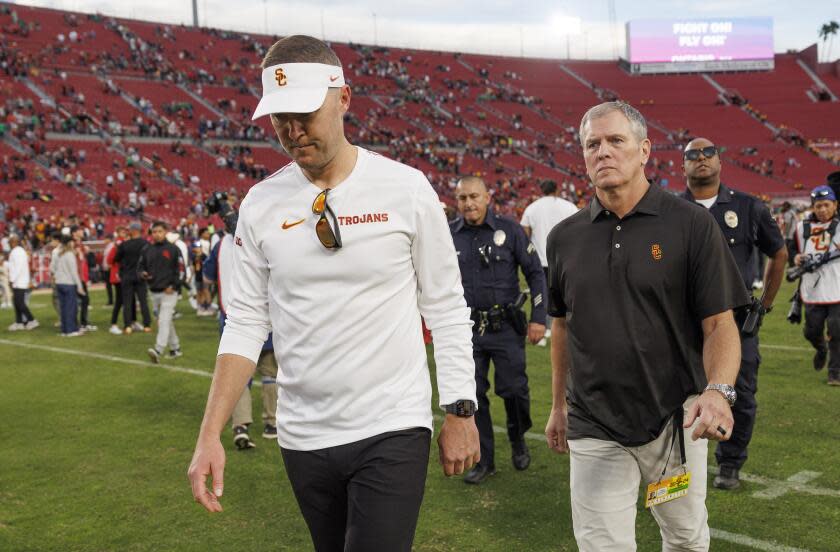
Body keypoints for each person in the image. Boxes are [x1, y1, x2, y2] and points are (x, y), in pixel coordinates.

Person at [187, 35, 479, 552]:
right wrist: (209, 434)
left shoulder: (406, 189)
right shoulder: (259, 205)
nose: (293, 131)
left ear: (342, 98)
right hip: (303, 437)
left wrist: (460, 409)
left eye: (304, 114)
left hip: (392, 425)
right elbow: (247, 322)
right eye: (279, 118)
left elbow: (446, 306)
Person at [544, 101, 749, 551]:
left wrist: (718, 390)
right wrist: (559, 405)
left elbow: (719, 324)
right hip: (593, 422)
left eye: (616, 141)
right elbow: (561, 327)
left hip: (674, 421)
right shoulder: (564, 237)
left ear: (644, 150)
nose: (603, 152)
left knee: (685, 538)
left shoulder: (691, 224)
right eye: (592, 144)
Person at [679, 137, 787, 490]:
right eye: (692, 155)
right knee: (673, 394)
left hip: (736, 323)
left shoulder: (748, 207)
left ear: (720, 161)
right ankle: (674, 465)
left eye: (709, 152)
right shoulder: (668, 209)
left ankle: (730, 464)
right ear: (683, 166)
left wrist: (766, 304)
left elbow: (779, 252)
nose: (701, 158)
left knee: (738, 393)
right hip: (681, 322)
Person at [450, 175, 546, 484]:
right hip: (468, 331)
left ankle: (518, 438)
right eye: (463, 198)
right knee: (474, 396)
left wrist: (538, 318)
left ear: (487, 197)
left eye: (474, 196)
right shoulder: (449, 235)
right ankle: (485, 460)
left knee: (514, 391)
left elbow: (535, 274)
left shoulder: (510, 230)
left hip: (506, 326)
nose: (469, 203)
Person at [202, 204, 278, 449]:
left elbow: (208, 276)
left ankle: (241, 425)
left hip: (232, 318)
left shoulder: (221, 245)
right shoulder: (267, 235)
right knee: (270, 372)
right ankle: (272, 422)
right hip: (266, 317)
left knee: (238, 373)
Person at [520, 179, 578, 346]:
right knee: (566, 295)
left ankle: (544, 330)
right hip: (565, 258)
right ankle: (565, 330)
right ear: (557, 189)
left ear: (541, 190)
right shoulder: (568, 206)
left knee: (543, 295)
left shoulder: (532, 207)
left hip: (541, 259)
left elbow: (524, 233)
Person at [793, 185, 840, 387]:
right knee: (811, 331)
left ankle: (835, 372)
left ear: (835, 205)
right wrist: (795, 258)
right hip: (812, 287)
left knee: (837, 328)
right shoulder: (801, 227)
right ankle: (821, 349)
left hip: (837, 286)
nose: (822, 210)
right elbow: (790, 250)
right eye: (818, 206)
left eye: (826, 205)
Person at [138, 221, 183, 363]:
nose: (157, 234)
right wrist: (143, 274)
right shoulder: (146, 249)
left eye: (160, 231)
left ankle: (158, 350)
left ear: (165, 232)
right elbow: (140, 268)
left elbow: (181, 270)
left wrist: (174, 285)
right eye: (154, 232)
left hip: (169, 291)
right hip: (154, 291)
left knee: (163, 320)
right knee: (166, 321)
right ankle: (175, 348)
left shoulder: (173, 249)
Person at [114, 222, 151, 334]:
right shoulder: (146, 244)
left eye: (129, 229)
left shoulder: (124, 245)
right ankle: (146, 325)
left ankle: (128, 325)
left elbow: (117, 258)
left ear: (134, 230)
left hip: (127, 275)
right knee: (143, 301)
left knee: (127, 301)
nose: (128, 231)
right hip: (141, 275)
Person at [53, 234, 85, 337]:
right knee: (71, 308)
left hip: (59, 283)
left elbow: (53, 268)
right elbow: (74, 272)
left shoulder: (59, 254)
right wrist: (79, 286)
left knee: (63, 308)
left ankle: (65, 330)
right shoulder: (70, 255)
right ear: (69, 243)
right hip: (68, 284)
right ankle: (71, 330)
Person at [8, 235, 38, 331]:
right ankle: (19, 322)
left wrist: (12, 279)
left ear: (15, 242)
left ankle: (32, 320)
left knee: (20, 303)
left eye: (10, 242)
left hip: (19, 280)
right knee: (16, 302)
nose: (9, 244)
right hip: (19, 280)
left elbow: (17, 268)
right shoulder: (19, 251)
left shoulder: (17, 252)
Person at [781, 201, 799, 267]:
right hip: (795, 233)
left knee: (788, 250)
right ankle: (792, 263)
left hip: (790, 235)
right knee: (791, 250)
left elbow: (787, 224)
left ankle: (791, 264)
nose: (782, 207)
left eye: (783, 206)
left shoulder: (788, 213)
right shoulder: (793, 212)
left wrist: (784, 234)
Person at [102, 234, 116, 305]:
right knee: (108, 285)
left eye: (105, 239)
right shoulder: (108, 246)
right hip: (107, 268)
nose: (104, 240)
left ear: (109, 239)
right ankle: (111, 300)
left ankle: (111, 301)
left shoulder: (112, 246)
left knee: (111, 285)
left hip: (110, 268)